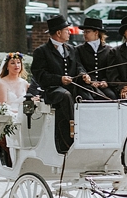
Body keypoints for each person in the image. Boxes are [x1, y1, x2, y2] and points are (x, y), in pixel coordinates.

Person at [30, 15, 90, 153]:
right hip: (52, 91)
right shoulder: (41, 51)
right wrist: (59, 79)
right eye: (66, 30)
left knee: (89, 94)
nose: (69, 32)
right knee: (65, 96)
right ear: (58, 33)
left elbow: (78, 66)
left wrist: (83, 75)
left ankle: (89, 130)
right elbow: (40, 75)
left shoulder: (71, 49)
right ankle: (71, 133)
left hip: (72, 88)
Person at [0, 52, 29, 167]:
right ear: (7, 66)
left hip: (23, 114)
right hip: (8, 115)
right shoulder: (2, 83)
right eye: (12, 63)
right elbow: (3, 105)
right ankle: (13, 158)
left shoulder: (25, 83)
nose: (16, 65)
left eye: (18, 63)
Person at [74, 17, 117, 100]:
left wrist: (106, 81)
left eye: (88, 32)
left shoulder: (109, 50)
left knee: (112, 96)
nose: (85, 34)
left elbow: (111, 70)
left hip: (103, 85)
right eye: (84, 32)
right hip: (87, 86)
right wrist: (86, 77)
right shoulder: (78, 50)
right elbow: (78, 66)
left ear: (96, 32)